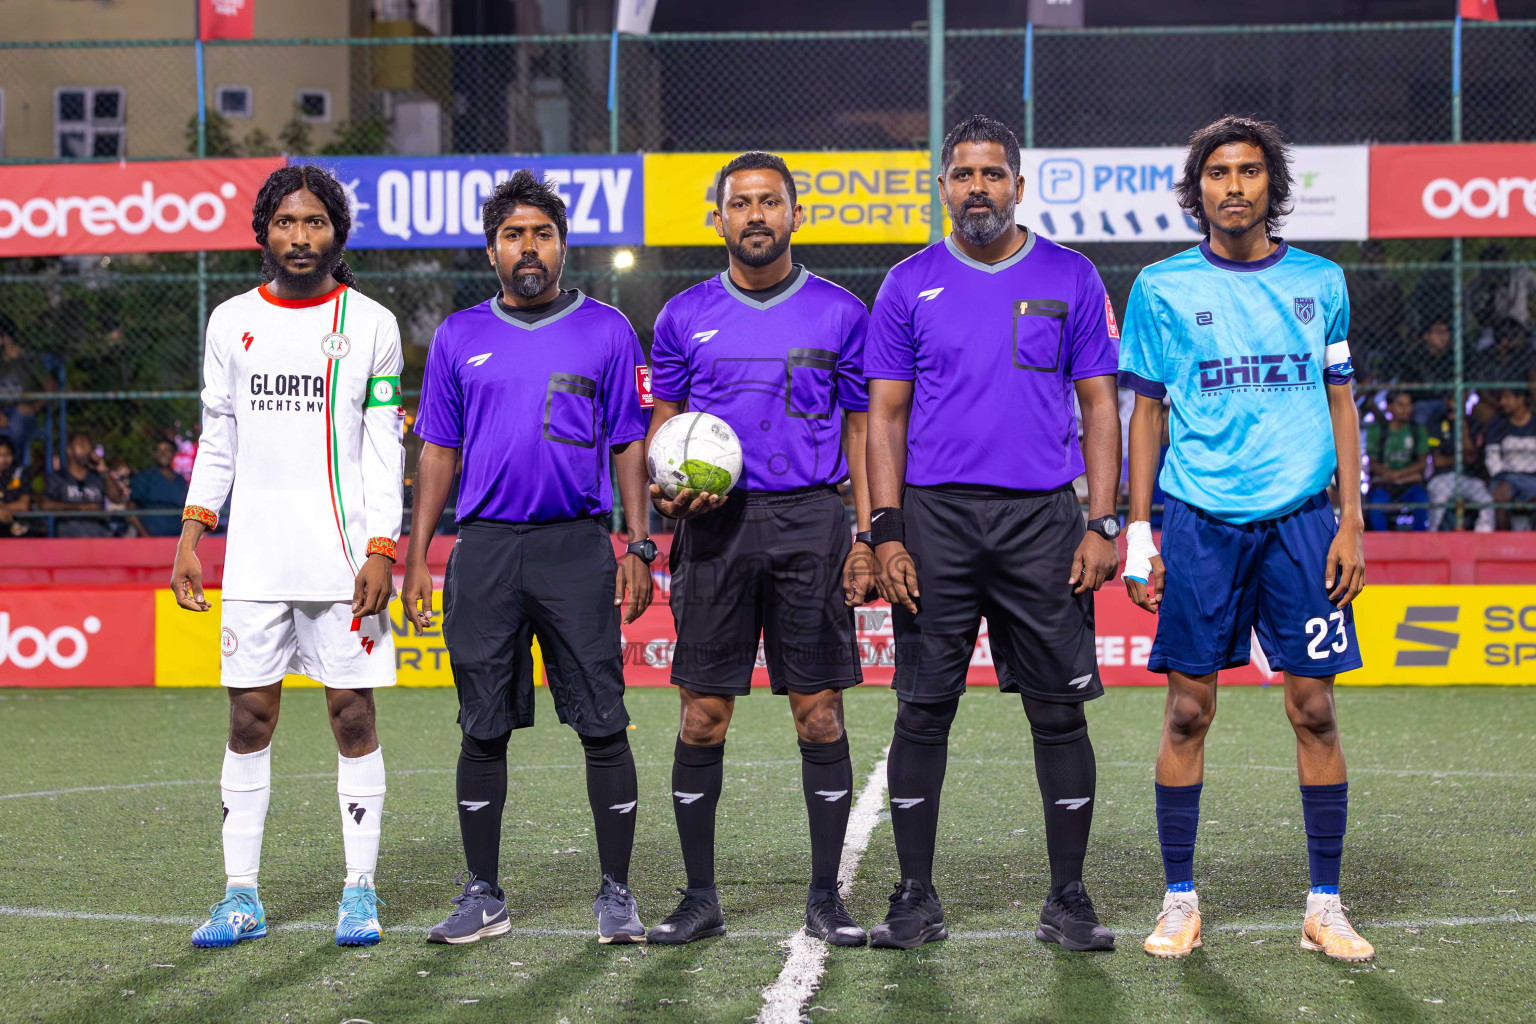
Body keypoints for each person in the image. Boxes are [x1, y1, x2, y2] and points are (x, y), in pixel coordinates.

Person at [864, 115, 1122, 952]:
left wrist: (1103, 519)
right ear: (943, 187)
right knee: (923, 710)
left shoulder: (1072, 275)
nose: (978, 187)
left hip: (1043, 519)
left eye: (993, 174)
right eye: (963, 175)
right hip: (934, 520)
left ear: (1018, 184)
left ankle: (1069, 899)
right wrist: (887, 533)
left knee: (1058, 713)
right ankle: (913, 896)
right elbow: (885, 420)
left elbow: (1098, 406)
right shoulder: (907, 283)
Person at [1119, 116, 1372, 962]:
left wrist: (1351, 518)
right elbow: (1146, 410)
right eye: (1219, 173)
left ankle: (1326, 904)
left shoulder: (1322, 281)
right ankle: (1179, 898)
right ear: (1199, 191)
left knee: (1314, 709)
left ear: (1273, 185)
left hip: (1303, 522)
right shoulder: (1158, 288)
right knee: (1188, 710)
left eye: (1250, 171)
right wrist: (1140, 531)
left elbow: (1341, 399)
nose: (1234, 186)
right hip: (1197, 521)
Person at [401, 170, 654, 946]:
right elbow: (437, 450)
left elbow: (630, 441)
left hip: (576, 546)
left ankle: (616, 892)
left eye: (542, 233)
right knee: (481, 728)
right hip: (483, 551)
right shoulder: (457, 336)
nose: (529, 247)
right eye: (514, 235)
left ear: (562, 245)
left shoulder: (609, 329)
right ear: (492, 251)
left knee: (603, 724)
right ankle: (483, 893)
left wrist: (639, 543)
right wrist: (418, 556)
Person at [642, 152, 875, 947]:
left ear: (794, 214)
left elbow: (861, 429)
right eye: (739, 203)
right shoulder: (681, 317)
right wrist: (663, 500)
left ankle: (824, 897)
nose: (755, 216)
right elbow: (661, 434)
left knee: (819, 713)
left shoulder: (842, 313)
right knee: (703, 715)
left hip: (813, 521)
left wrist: (869, 531)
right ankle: (699, 896)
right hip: (714, 528)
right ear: (718, 219)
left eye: (769, 202)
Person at [172, 165, 405, 949]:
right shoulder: (230, 320)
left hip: (345, 564)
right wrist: (193, 537)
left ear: (336, 232)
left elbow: (383, 451)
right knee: (248, 717)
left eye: (314, 223)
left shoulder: (370, 322)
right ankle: (241, 897)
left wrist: (383, 548)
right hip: (258, 562)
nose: (300, 237)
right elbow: (219, 437)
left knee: (352, 715)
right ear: (263, 231)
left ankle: (360, 892)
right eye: (285, 223)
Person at [41, 432, 126, 538]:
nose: (86, 450)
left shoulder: (97, 477)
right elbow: (45, 505)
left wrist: (104, 470)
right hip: (68, 540)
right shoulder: (59, 477)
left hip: (98, 538)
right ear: (69, 450)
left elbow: (117, 498)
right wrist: (79, 507)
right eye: (81, 445)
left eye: (88, 447)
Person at [1365, 391, 1429, 532]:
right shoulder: (1378, 430)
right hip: (1384, 482)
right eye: (1401, 405)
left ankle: (1418, 545)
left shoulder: (1417, 430)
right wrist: (1389, 475)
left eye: (1409, 405)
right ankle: (1383, 546)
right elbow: (1373, 463)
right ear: (1389, 407)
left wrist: (1398, 474)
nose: (1407, 409)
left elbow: (1422, 462)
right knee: (1375, 508)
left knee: (1422, 504)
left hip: (1409, 482)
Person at [1425, 407, 1494, 532]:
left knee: (1486, 500)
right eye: (1453, 399)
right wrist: (1462, 459)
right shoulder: (1436, 422)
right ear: (1447, 401)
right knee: (1439, 498)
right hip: (1442, 477)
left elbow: (1472, 458)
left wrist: (1464, 430)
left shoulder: (1473, 423)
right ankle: (1432, 536)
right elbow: (1438, 461)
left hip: (1468, 477)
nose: (1456, 403)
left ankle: (1484, 539)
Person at [1486, 387, 1536, 531]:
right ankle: (1503, 546)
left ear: (1521, 399)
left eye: (1508, 398)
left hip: (1533, 478)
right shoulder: (1498, 424)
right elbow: (1492, 456)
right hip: (1508, 477)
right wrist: (1501, 479)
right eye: (1502, 398)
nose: (1503, 402)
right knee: (1501, 497)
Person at [130, 438, 191, 537]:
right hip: (152, 539)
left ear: (173, 454)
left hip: (178, 539)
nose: (163, 454)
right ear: (155, 454)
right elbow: (131, 511)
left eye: (167, 450)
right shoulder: (145, 477)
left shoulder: (181, 481)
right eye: (159, 450)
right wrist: (146, 537)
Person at [0, 438, 33, 537]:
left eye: (8, 455)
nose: (4, 459)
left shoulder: (21, 472)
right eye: (0, 455)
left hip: (19, 527)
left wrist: (2, 509)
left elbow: (23, 505)